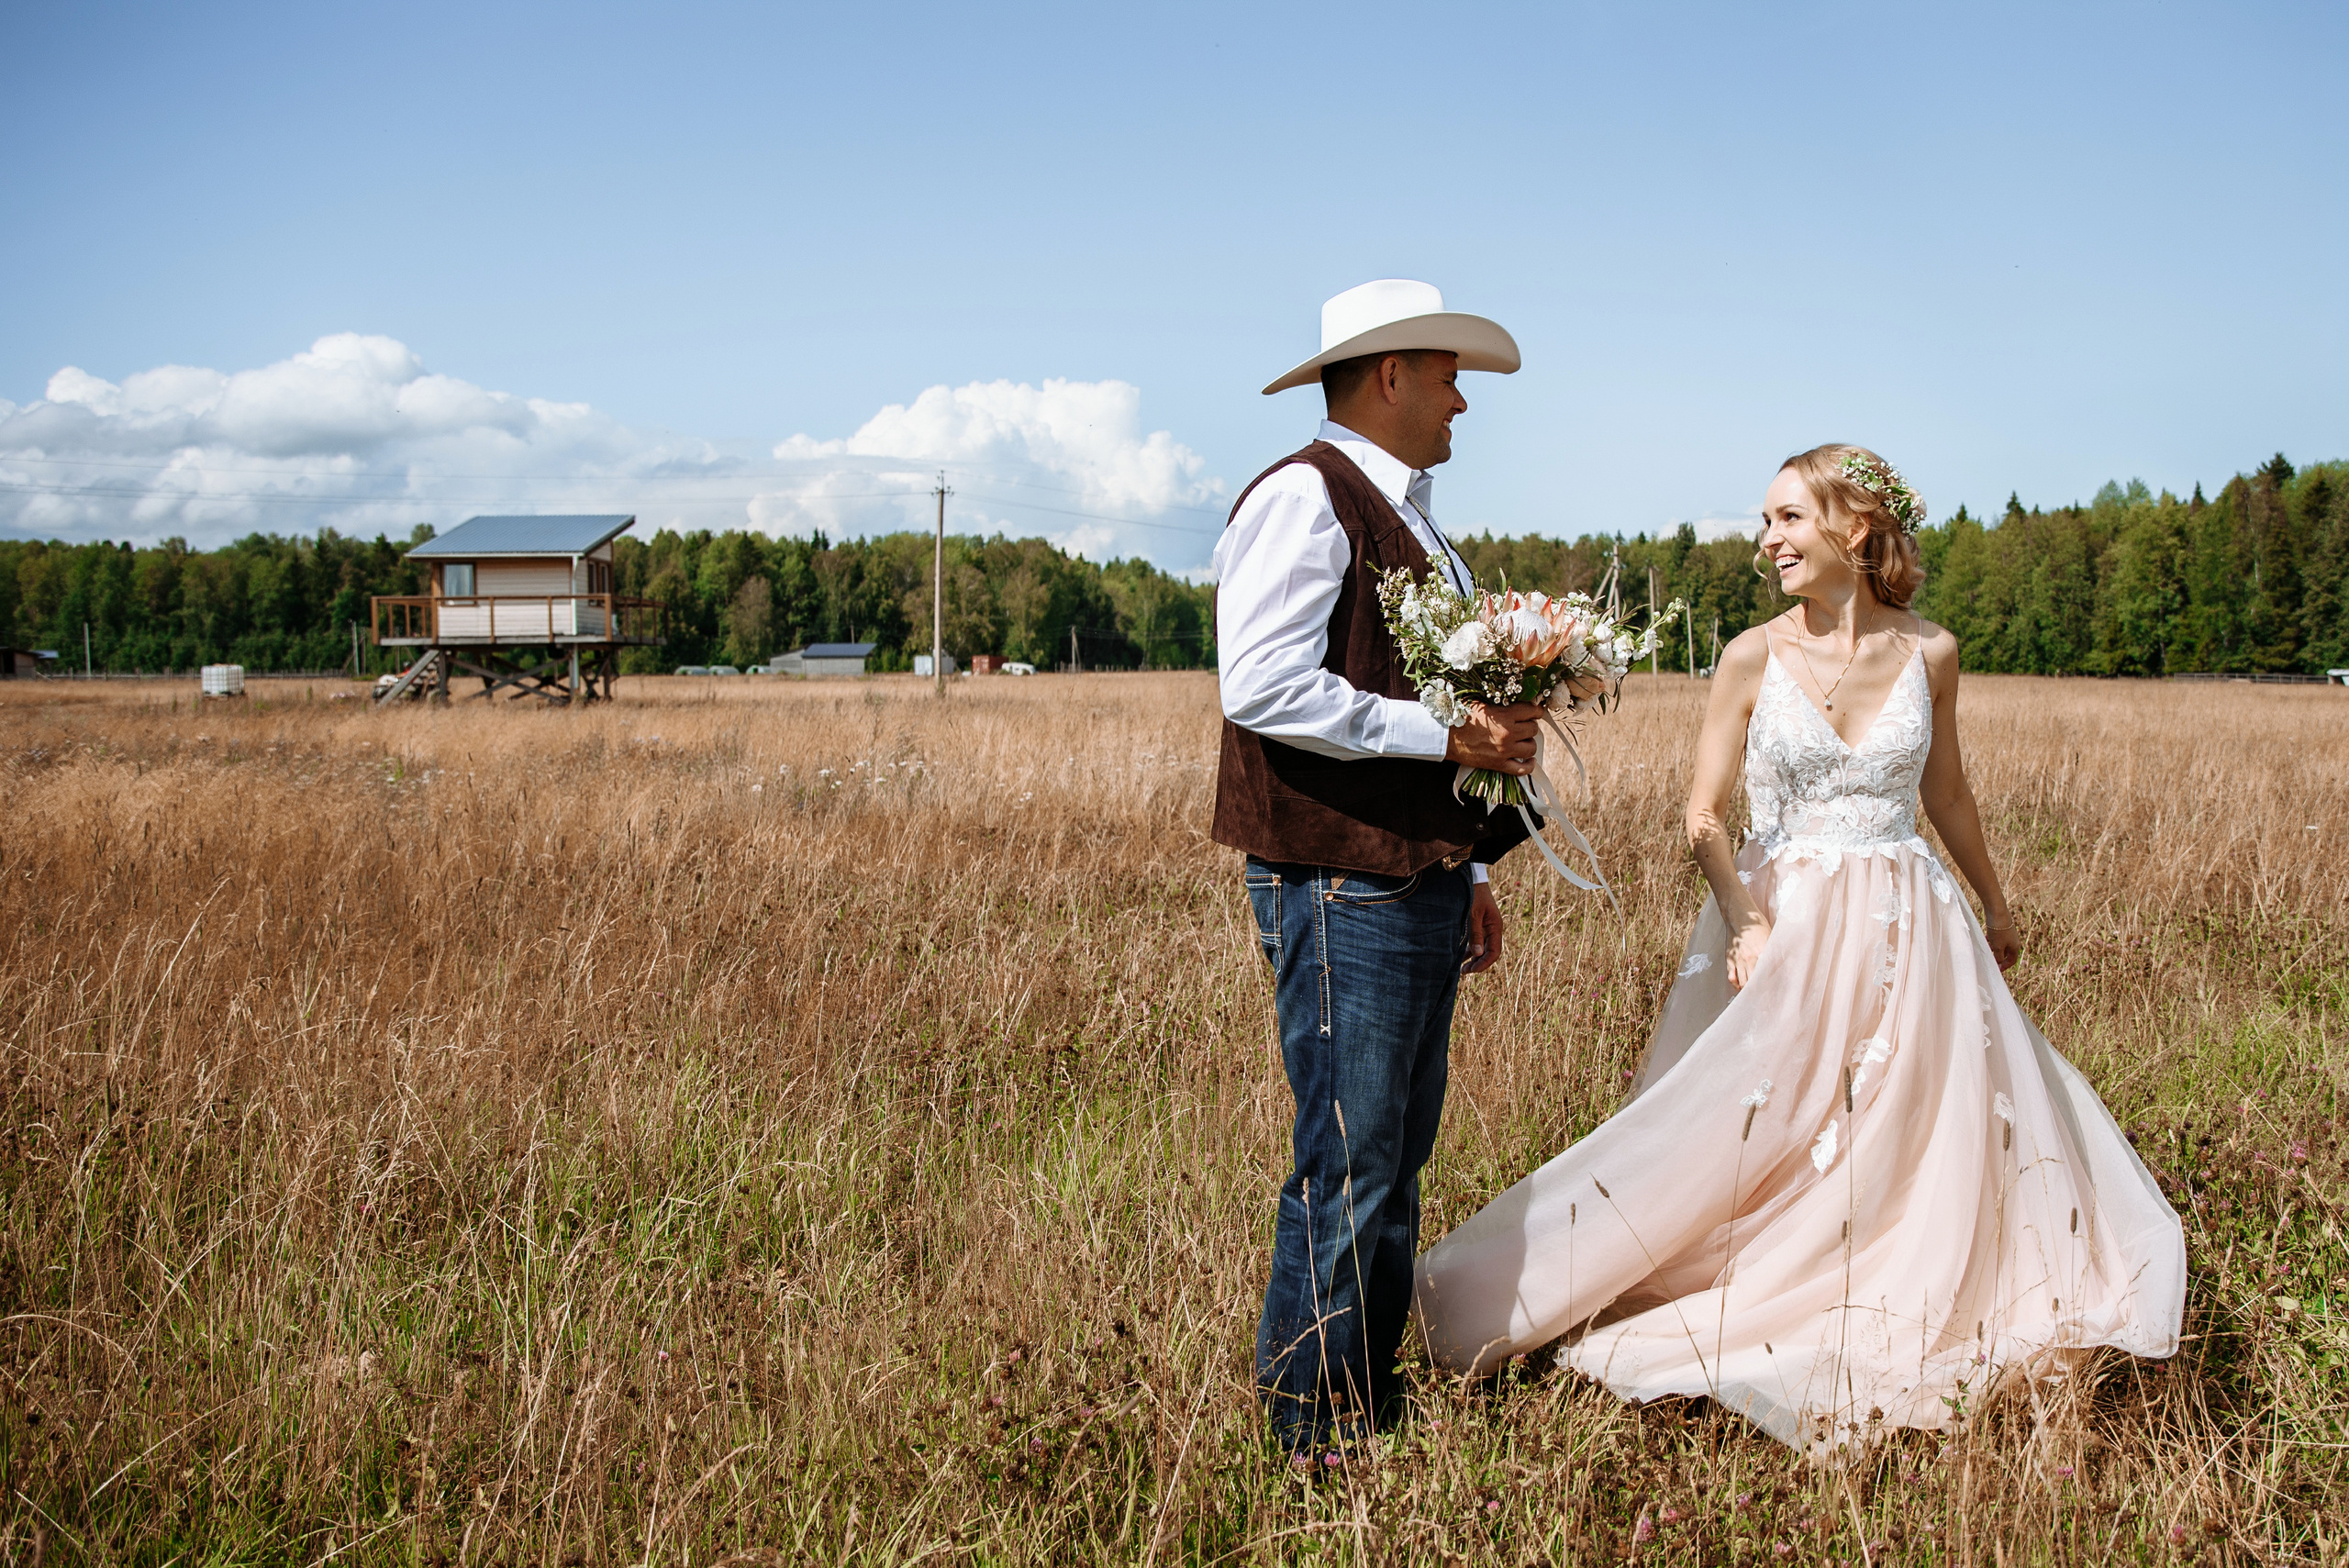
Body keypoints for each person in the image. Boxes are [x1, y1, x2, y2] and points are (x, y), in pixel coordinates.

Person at [1413, 444, 2186, 1455]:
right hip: (1783, 922)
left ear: (1853, 528)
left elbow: (1947, 791)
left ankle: (1885, 1283)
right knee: (1759, 1125)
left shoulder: (1933, 652)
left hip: (1911, 925)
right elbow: (1701, 815)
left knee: (1908, 1121)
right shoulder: (1750, 654)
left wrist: (1994, 901)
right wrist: (1747, 920)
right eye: (1765, 521)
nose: (1766, 539)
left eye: (1787, 518)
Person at [1215, 279, 1603, 1458]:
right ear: (1389, 375)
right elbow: (1261, 684)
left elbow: (1429, 699)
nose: (1461, 404)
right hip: (1339, 877)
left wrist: (1471, 868)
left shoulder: (1414, 520)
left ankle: (1360, 1405)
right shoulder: (1306, 495)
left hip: (1410, 874)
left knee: (1389, 1157)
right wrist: (1448, 736)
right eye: (1448, 378)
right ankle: (1309, 1435)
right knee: (1351, 1161)